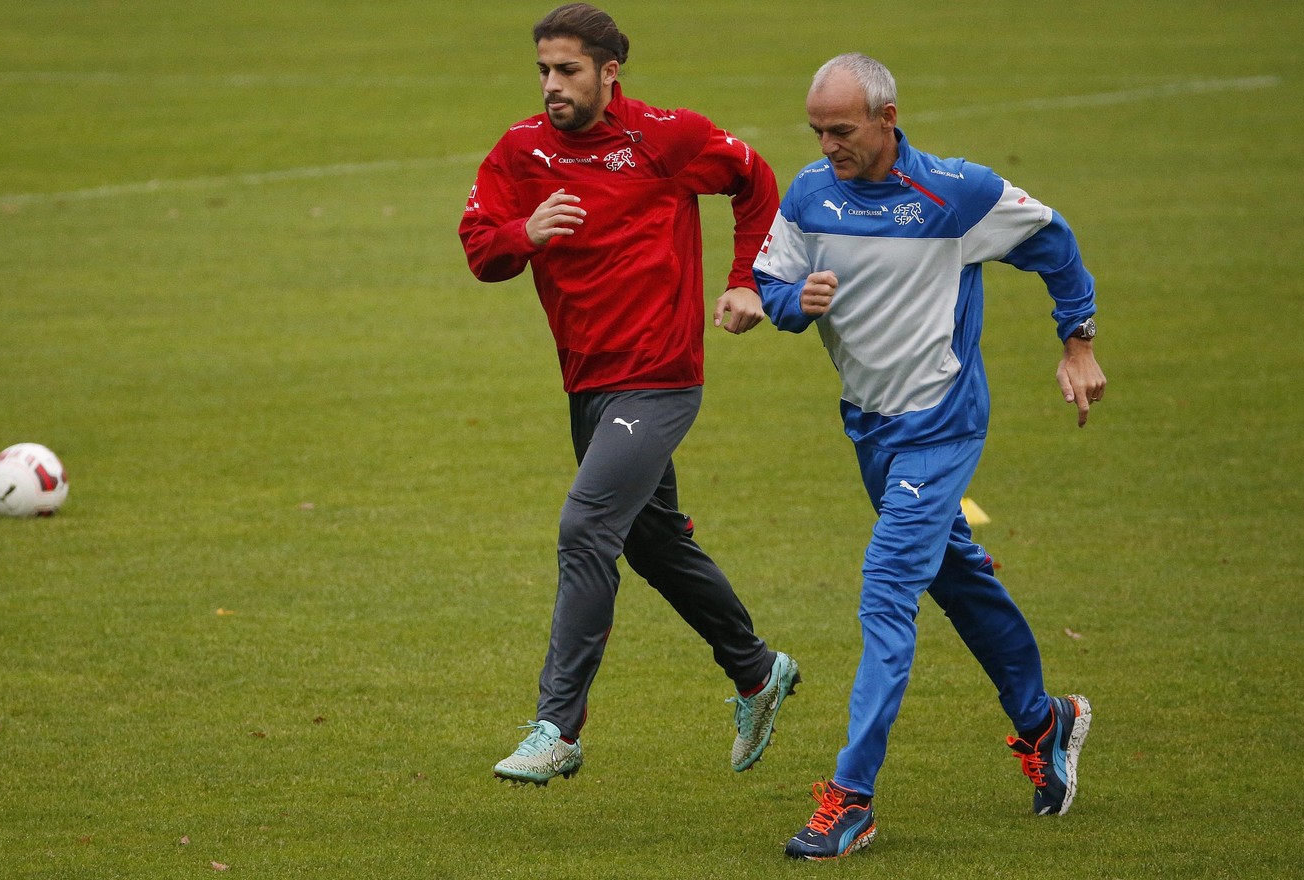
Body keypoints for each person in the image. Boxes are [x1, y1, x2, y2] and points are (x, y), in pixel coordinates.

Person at [752, 53, 1105, 860]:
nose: (827, 145)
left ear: (887, 116)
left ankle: (851, 799)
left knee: (886, 594)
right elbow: (772, 281)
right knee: (957, 579)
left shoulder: (959, 194)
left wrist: (1076, 343)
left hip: (940, 428)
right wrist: (787, 305)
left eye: (840, 130)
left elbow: (1053, 241)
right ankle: (1045, 721)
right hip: (869, 429)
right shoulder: (811, 193)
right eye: (816, 131)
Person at [457, 3, 799, 786]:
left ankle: (558, 727)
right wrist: (526, 234)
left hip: (662, 375)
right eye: (544, 70)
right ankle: (757, 671)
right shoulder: (521, 152)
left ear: (610, 73)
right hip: (588, 382)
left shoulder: (667, 138)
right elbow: (481, 247)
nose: (552, 85)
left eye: (568, 70)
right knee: (651, 543)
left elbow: (754, 180)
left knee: (585, 527)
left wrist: (748, 280)